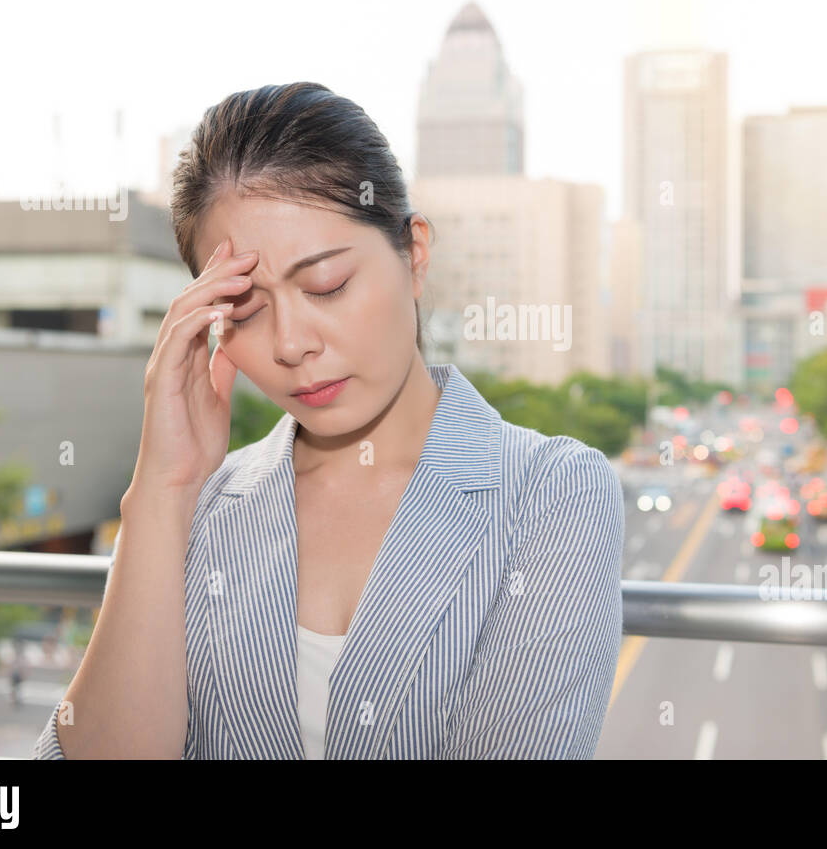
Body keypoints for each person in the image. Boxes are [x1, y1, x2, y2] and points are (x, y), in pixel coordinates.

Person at [31, 82, 625, 759]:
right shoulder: (198, 507)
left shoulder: (549, 493)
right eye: (246, 312)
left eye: (327, 286)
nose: (291, 343)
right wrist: (164, 489)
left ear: (415, 255)